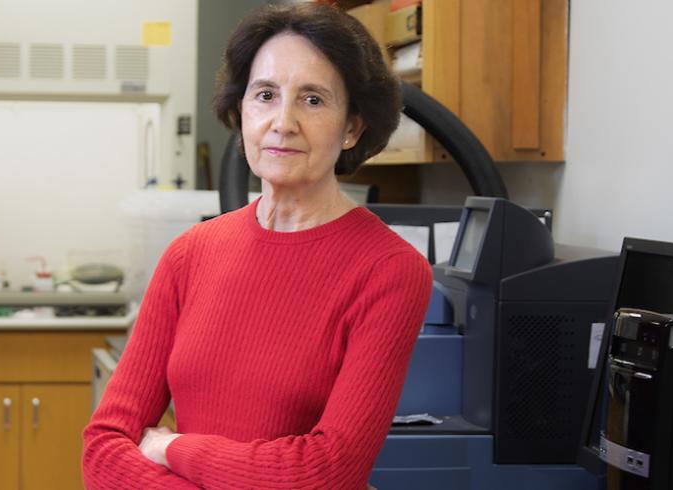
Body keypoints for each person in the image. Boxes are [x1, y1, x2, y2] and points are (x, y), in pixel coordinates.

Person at [81, 4, 432, 489]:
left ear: (352, 126)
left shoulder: (390, 270)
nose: (282, 122)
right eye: (265, 95)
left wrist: (173, 447)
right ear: (241, 110)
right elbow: (103, 447)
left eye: (312, 100)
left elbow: (327, 471)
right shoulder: (190, 253)